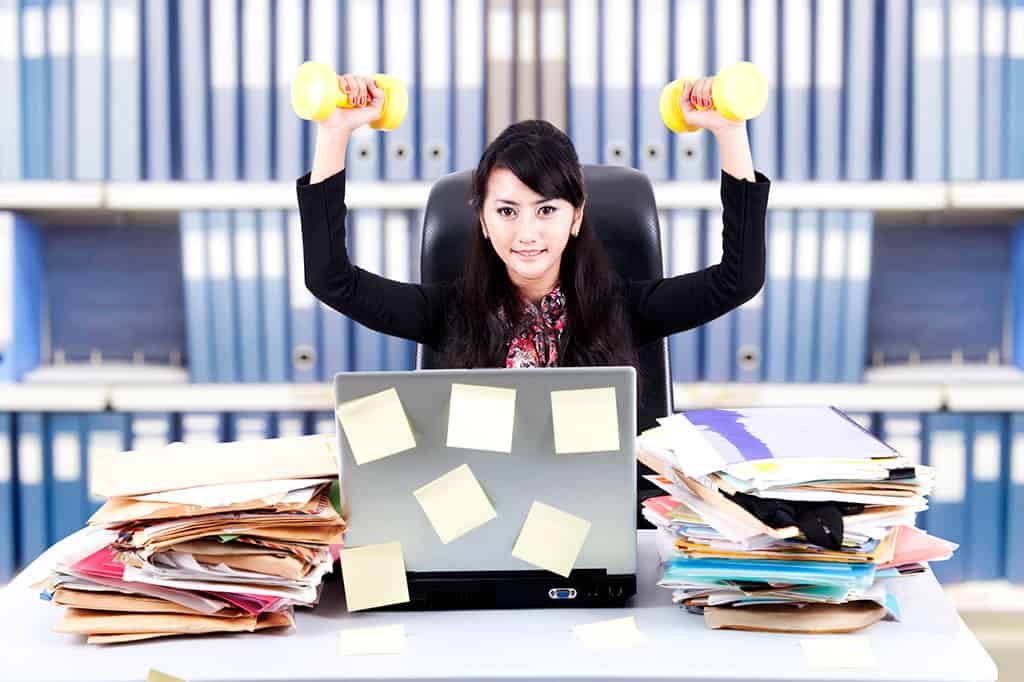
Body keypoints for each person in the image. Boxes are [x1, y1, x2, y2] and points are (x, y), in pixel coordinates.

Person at [297, 74, 770, 379]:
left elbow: (738, 280)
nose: (527, 233)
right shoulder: (448, 311)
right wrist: (335, 132)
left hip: (597, 515)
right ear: (481, 218)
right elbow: (330, 280)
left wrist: (729, 132)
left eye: (546, 211)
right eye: (507, 211)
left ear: (577, 216)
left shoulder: (622, 308)